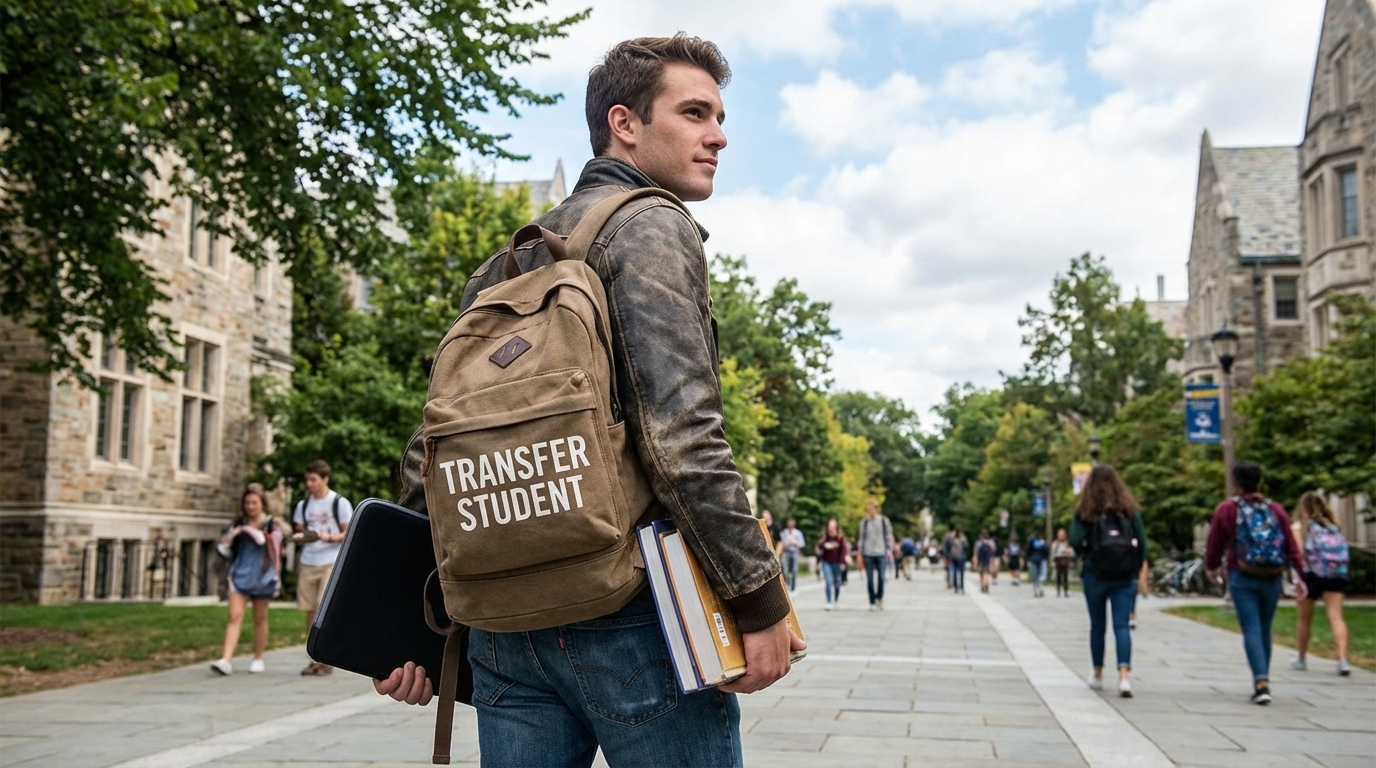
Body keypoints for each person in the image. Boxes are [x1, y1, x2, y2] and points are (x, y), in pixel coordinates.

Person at [378, 36, 804, 766]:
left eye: (721, 116)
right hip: (631, 616)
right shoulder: (649, 224)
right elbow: (683, 436)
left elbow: (433, 454)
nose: (719, 135)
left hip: (507, 631)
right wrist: (758, 599)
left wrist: (409, 629)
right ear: (624, 123)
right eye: (695, 112)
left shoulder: (501, 267)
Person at [1205, 462, 1308, 705]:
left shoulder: (1228, 509)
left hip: (1242, 575)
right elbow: (1290, 546)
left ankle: (1261, 682)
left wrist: (1212, 566)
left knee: (1251, 627)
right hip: (1272, 576)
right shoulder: (1276, 510)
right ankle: (1264, 679)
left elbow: (1215, 542)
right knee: (1264, 627)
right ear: (1259, 482)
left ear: (1236, 483)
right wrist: (1298, 573)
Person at [1069, 465, 1147, 698]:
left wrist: (1086, 553)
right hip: (1124, 576)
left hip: (1096, 573)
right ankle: (1124, 677)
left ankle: (1097, 674)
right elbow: (1142, 544)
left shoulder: (1086, 510)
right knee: (1122, 626)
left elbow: (1074, 539)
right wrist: (1134, 567)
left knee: (1098, 626)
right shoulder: (1129, 510)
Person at [210, 486, 284, 676]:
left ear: (262, 504)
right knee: (234, 616)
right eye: (247, 503)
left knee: (260, 618)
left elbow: (277, 548)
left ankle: (258, 657)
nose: (250, 506)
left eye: (254, 503)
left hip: (263, 578)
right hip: (240, 576)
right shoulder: (239, 523)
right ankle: (226, 659)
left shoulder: (271, 525)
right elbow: (226, 548)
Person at [291, 459, 353, 676]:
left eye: (313, 479)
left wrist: (327, 537)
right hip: (309, 560)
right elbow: (301, 529)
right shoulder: (303, 505)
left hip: (330, 560)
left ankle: (326, 658)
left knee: (321, 609)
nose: (309, 484)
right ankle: (315, 656)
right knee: (310, 611)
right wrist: (300, 537)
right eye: (307, 479)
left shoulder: (338, 503)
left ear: (324, 479)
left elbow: (348, 532)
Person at [1289, 492, 1352, 676]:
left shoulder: (1300, 526)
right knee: (1336, 617)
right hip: (1336, 575)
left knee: (1304, 619)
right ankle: (1342, 659)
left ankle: (1301, 658)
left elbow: (1299, 554)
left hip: (1311, 576)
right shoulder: (1333, 527)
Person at [858, 500, 894, 610]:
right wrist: (860, 552)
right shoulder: (864, 522)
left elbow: (889, 536)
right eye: (869, 509)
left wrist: (890, 550)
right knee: (869, 579)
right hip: (868, 553)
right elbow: (861, 539)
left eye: (873, 508)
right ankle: (872, 601)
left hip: (881, 552)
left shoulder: (884, 521)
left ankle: (880, 597)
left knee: (881, 578)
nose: (871, 511)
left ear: (877, 509)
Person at [816, 518, 847, 610]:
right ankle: (828, 601)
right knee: (828, 581)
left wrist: (843, 562)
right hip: (826, 562)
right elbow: (819, 550)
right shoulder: (824, 537)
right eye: (830, 526)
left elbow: (843, 551)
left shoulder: (840, 538)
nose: (831, 528)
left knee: (837, 582)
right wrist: (821, 545)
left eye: (833, 526)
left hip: (837, 562)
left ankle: (836, 599)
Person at [777, 518, 805, 593]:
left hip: (795, 552)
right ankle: (788, 584)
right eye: (789, 525)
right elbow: (781, 543)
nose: (790, 526)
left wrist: (795, 543)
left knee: (794, 570)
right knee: (785, 570)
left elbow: (802, 544)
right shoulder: (784, 533)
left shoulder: (798, 533)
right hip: (786, 552)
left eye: (791, 525)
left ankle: (793, 587)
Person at [945, 525, 968, 594]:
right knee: (961, 572)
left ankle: (955, 586)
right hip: (961, 556)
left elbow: (947, 546)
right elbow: (966, 546)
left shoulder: (951, 538)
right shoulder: (962, 538)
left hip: (953, 556)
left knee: (954, 571)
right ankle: (962, 586)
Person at [1051, 528, 1074, 597]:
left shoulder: (1067, 543)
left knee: (1065, 576)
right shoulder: (1055, 543)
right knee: (1058, 576)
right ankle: (1058, 590)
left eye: (1063, 535)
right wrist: (1052, 561)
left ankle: (1066, 591)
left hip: (1065, 560)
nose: (1062, 536)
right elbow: (1053, 553)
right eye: (1060, 535)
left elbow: (1071, 552)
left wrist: (1068, 552)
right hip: (1058, 560)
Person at [1026, 531, 1049, 598]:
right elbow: (1046, 552)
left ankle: (1037, 589)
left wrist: (1029, 558)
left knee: (1037, 576)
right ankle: (1038, 589)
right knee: (1038, 575)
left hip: (1036, 560)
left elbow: (1028, 551)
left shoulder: (1032, 542)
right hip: (1038, 560)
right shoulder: (1042, 543)